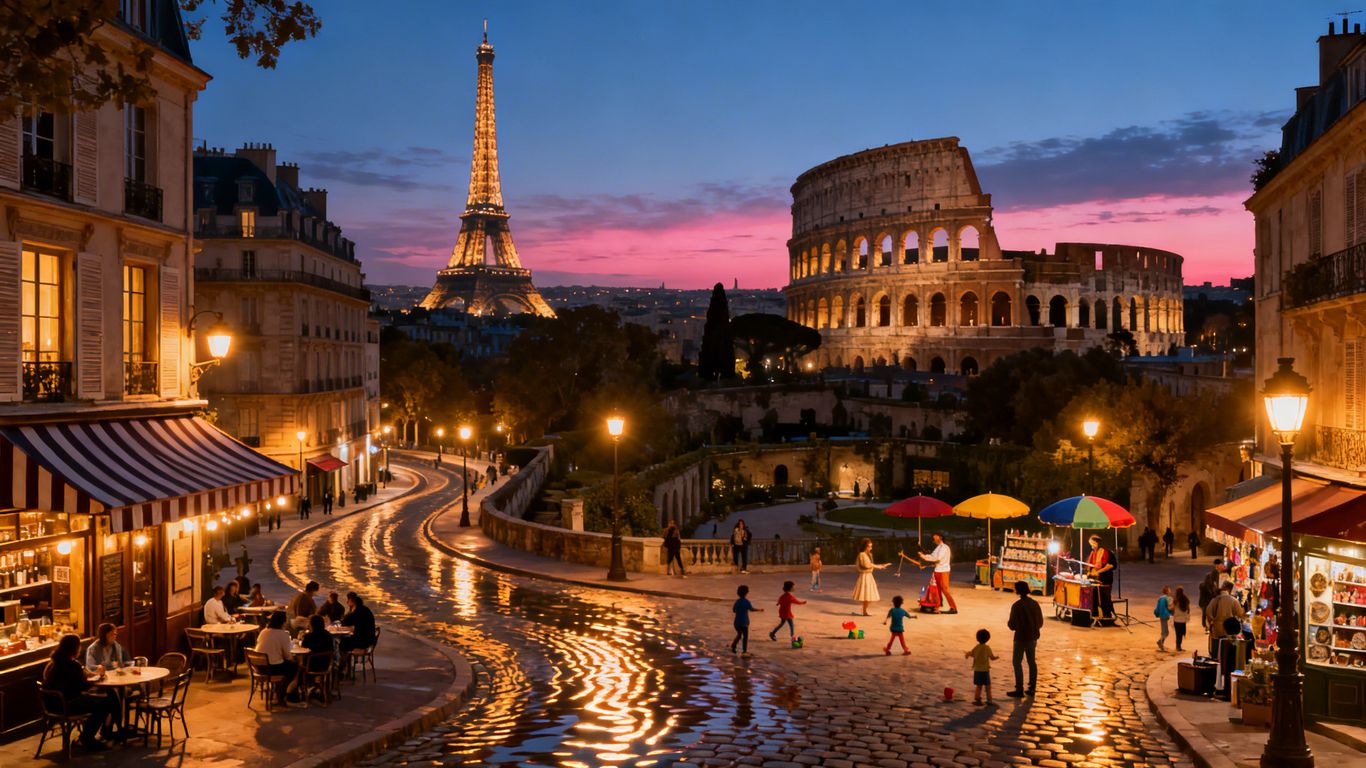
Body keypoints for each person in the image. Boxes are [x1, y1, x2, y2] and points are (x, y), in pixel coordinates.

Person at [44, 633, 117, 750]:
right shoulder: (73, 665)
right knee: (106, 702)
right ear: (74, 648)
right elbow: (82, 687)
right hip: (66, 704)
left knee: (107, 698)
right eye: (79, 646)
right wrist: (96, 682)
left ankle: (99, 733)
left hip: (52, 704)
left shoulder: (55, 663)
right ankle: (88, 737)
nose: (80, 648)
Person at [1006, 580, 1043, 698]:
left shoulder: (1016, 606)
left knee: (1017, 662)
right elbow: (1040, 622)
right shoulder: (1035, 604)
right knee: (1031, 662)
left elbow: (1012, 625)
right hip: (1032, 637)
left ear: (1018, 591)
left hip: (1020, 637)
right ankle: (1032, 688)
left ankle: (1019, 688)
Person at [252, 611, 298, 704]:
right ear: (283, 622)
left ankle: (279, 691)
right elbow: (287, 656)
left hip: (257, 667)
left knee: (286, 664)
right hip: (271, 668)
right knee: (294, 667)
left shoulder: (263, 631)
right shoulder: (283, 634)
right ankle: (284, 694)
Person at [917, 532, 958, 614]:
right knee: (938, 590)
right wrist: (923, 556)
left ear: (941, 537)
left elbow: (937, 559)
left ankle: (953, 608)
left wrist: (924, 557)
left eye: (936, 537)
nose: (934, 539)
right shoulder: (938, 547)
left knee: (945, 590)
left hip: (943, 571)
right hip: (937, 570)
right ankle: (939, 606)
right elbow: (932, 556)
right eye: (934, 538)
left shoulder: (944, 548)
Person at [1205, 581, 1247, 655]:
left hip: (1216, 627)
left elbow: (1208, 612)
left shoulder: (1215, 599)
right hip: (1229, 628)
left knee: (1216, 645)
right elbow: (1240, 614)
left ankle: (1216, 659)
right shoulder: (1233, 600)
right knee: (1227, 647)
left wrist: (1212, 621)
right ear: (1229, 590)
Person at [852, 538, 890, 616]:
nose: (871, 548)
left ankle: (864, 611)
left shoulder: (868, 555)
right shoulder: (862, 554)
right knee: (866, 594)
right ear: (866, 547)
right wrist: (880, 567)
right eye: (870, 546)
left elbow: (870, 564)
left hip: (868, 575)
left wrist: (881, 566)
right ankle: (864, 611)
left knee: (868, 595)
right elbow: (867, 565)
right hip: (865, 576)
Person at [1085, 534, 1116, 620]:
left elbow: (1111, 565)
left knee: (1104, 596)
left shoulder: (1107, 552)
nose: (1091, 546)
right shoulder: (1093, 553)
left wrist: (1098, 572)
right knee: (1094, 595)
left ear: (1096, 543)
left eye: (1092, 544)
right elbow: (1089, 565)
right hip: (1095, 579)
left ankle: (1107, 615)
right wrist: (1089, 572)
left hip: (1105, 578)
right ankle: (1095, 614)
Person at [965, 628, 998, 706]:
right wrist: (996, 657)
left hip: (977, 670)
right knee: (988, 685)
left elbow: (972, 654)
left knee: (979, 686)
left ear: (977, 638)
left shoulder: (976, 647)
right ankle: (989, 700)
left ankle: (977, 699)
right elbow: (992, 658)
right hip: (985, 670)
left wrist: (967, 654)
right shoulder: (987, 648)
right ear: (987, 639)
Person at [730, 585, 762, 655]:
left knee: (739, 634)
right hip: (744, 622)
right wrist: (759, 610)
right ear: (746, 593)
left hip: (736, 622)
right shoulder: (747, 602)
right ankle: (744, 651)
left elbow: (734, 610)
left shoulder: (737, 602)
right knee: (745, 636)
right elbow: (751, 609)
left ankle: (734, 645)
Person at [1198, 559, 1225, 630]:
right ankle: (1206, 625)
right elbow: (1211, 591)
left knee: (1205, 613)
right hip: (1207, 601)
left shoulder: (1203, 585)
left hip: (1204, 602)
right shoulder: (1209, 585)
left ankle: (1205, 625)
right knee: (1207, 613)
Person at [1172, 586, 1191, 652]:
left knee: (1178, 634)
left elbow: (1172, 609)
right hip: (1183, 620)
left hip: (1176, 620)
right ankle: (1179, 646)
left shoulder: (1175, 600)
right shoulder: (1185, 599)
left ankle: (1178, 646)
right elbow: (1188, 609)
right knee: (1181, 634)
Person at [1155, 586, 1173, 651]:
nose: (1170, 591)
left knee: (1165, 632)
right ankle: (1160, 643)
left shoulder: (1162, 598)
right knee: (1165, 632)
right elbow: (1165, 608)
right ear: (1167, 591)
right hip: (1164, 616)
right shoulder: (1165, 598)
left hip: (1162, 616)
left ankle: (1161, 643)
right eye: (1169, 590)